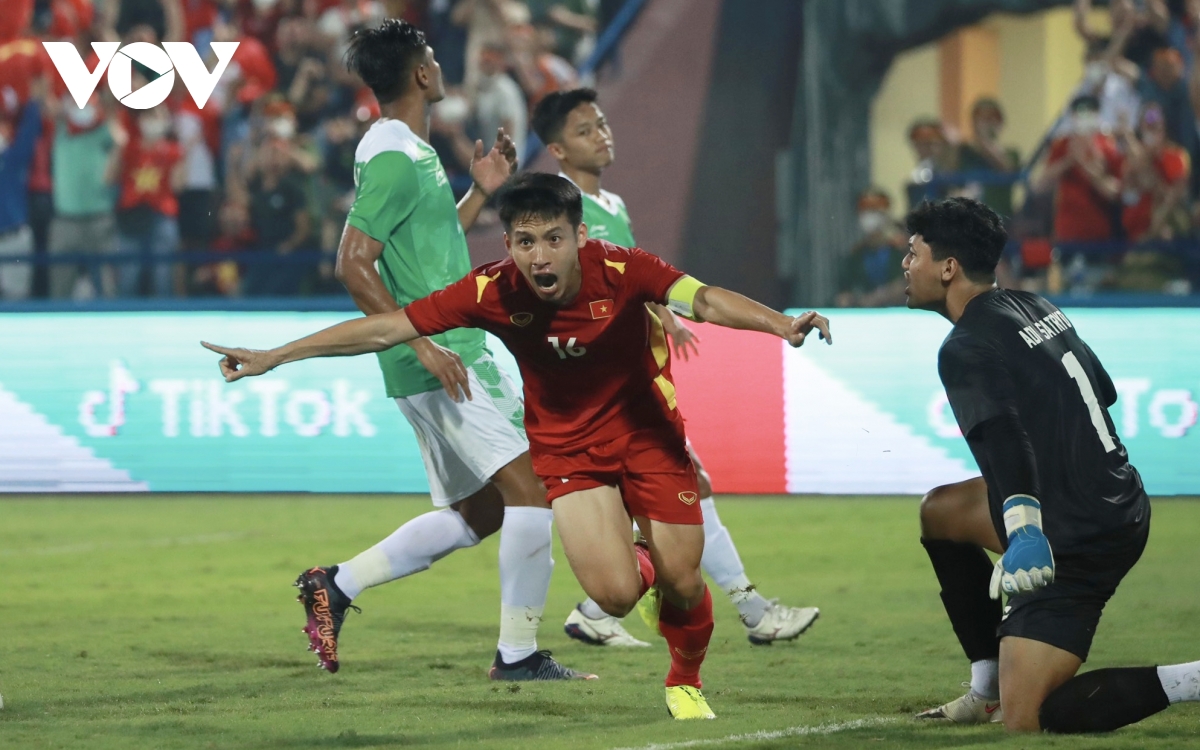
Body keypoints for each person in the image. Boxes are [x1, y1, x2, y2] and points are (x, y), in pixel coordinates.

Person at [201, 171, 834, 719]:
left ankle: (685, 679)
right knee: (614, 597)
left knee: (685, 582)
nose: (540, 256)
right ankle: (636, 567)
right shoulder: (492, 289)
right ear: (508, 244)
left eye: (553, 239)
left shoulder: (623, 269)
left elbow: (705, 300)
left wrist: (783, 324)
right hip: (569, 454)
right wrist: (276, 356)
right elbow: (387, 327)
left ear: (579, 237)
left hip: (647, 439)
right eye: (526, 242)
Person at [288, 19, 591, 683]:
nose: (439, 63)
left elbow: (422, 245)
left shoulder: (404, 152)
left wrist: (481, 190)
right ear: (422, 75)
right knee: (535, 490)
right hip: (444, 351)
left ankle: (335, 585)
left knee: (481, 512)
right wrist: (422, 342)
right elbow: (354, 262)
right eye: (431, 57)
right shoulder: (396, 156)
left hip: (440, 350)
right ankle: (517, 655)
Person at [531, 87, 820, 648]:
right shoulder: (560, 214)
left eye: (602, 123)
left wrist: (666, 314)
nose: (602, 134)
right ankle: (751, 610)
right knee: (690, 487)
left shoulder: (611, 207)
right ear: (558, 150)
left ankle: (598, 610)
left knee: (682, 494)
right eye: (585, 130)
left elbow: (634, 279)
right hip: (596, 397)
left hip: (635, 383)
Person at [901, 197, 1200, 732]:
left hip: (1080, 532)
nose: (905, 264)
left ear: (947, 268)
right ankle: (985, 688)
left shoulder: (964, 345)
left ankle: (1192, 679)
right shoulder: (1033, 304)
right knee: (941, 512)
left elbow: (1004, 442)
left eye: (912, 253)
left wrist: (1025, 530)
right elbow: (1102, 390)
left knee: (1032, 718)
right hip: (1116, 493)